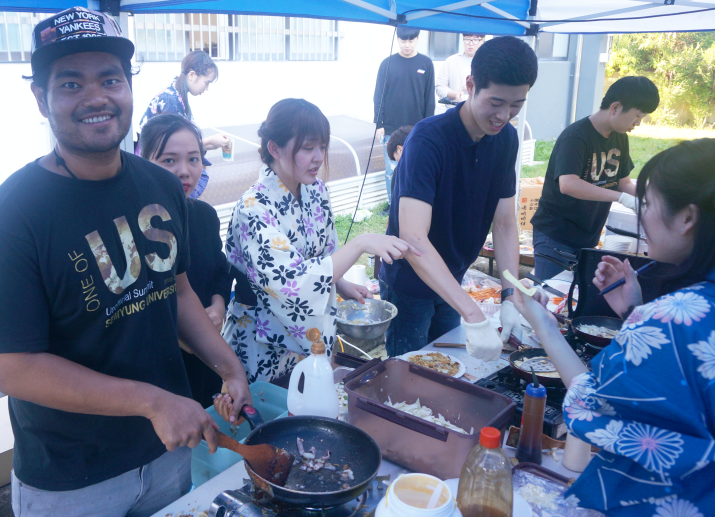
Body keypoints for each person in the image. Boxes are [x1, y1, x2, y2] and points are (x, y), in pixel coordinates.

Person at [0, 9, 251, 517]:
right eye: (71, 83)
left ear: (129, 88)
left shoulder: (161, 185)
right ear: (41, 98)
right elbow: (11, 366)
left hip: (166, 451)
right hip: (71, 478)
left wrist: (229, 367)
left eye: (110, 79)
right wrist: (152, 401)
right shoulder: (9, 218)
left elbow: (178, 291)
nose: (96, 96)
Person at [512, 139, 715, 516]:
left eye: (647, 205)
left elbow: (587, 403)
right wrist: (635, 312)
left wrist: (544, 325)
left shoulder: (673, 320)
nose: (642, 218)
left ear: (687, 218)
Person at [222, 98, 417, 383]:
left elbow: (325, 254)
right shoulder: (253, 207)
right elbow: (292, 283)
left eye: (323, 147)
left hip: (309, 335)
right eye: (307, 147)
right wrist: (361, 243)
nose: (318, 157)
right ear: (274, 148)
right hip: (260, 344)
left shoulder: (316, 190)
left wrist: (342, 284)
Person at [381, 36, 539, 360]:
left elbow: (505, 223)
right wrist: (473, 312)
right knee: (410, 374)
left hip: (453, 277)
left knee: (449, 367)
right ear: (470, 85)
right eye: (495, 102)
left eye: (516, 105)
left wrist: (511, 295)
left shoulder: (506, 139)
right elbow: (413, 237)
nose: (504, 115)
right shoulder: (428, 140)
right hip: (410, 283)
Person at [139, 113, 232, 408]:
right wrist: (183, 333)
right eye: (169, 160)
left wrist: (218, 306)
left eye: (194, 159)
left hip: (206, 358)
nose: (185, 171)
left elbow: (220, 269)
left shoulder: (204, 216)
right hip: (158, 369)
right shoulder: (133, 228)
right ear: (143, 162)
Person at [530, 76, 660, 280]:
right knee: (550, 293)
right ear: (615, 107)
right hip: (556, 235)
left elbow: (623, 182)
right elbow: (568, 184)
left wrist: (653, 200)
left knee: (576, 295)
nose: (638, 123)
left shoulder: (620, 137)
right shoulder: (576, 136)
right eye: (637, 116)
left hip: (588, 236)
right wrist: (620, 198)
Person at [138, 50, 229, 199]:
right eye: (207, 82)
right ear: (192, 75)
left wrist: (207, 145)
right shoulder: (171, 101)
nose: (206, 88)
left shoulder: (175, 95)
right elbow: (174, 147)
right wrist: (209, 142)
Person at [373, 27, 435, 207]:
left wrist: (428, 126)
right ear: (397, 39)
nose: (407, 44)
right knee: (391, 169)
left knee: (417, 167)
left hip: (417, 129)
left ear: (417, 39)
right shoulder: (387, 63)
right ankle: (393, 205)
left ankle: (414, 204)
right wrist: (379, 123)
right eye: (403, 40)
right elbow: (379, 95)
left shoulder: (426, 63)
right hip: (391, 128)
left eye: (411, 40)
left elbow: (429, 98)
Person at [435, 33, 486, 103]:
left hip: (480, 107)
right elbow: (439, 87)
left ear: (482, 41)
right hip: (455, 106)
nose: (471, 43)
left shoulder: (488, 62)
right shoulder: (450, 61)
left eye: (475, 39)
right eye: (467, 39)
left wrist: (476, 87)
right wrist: (455, 94)